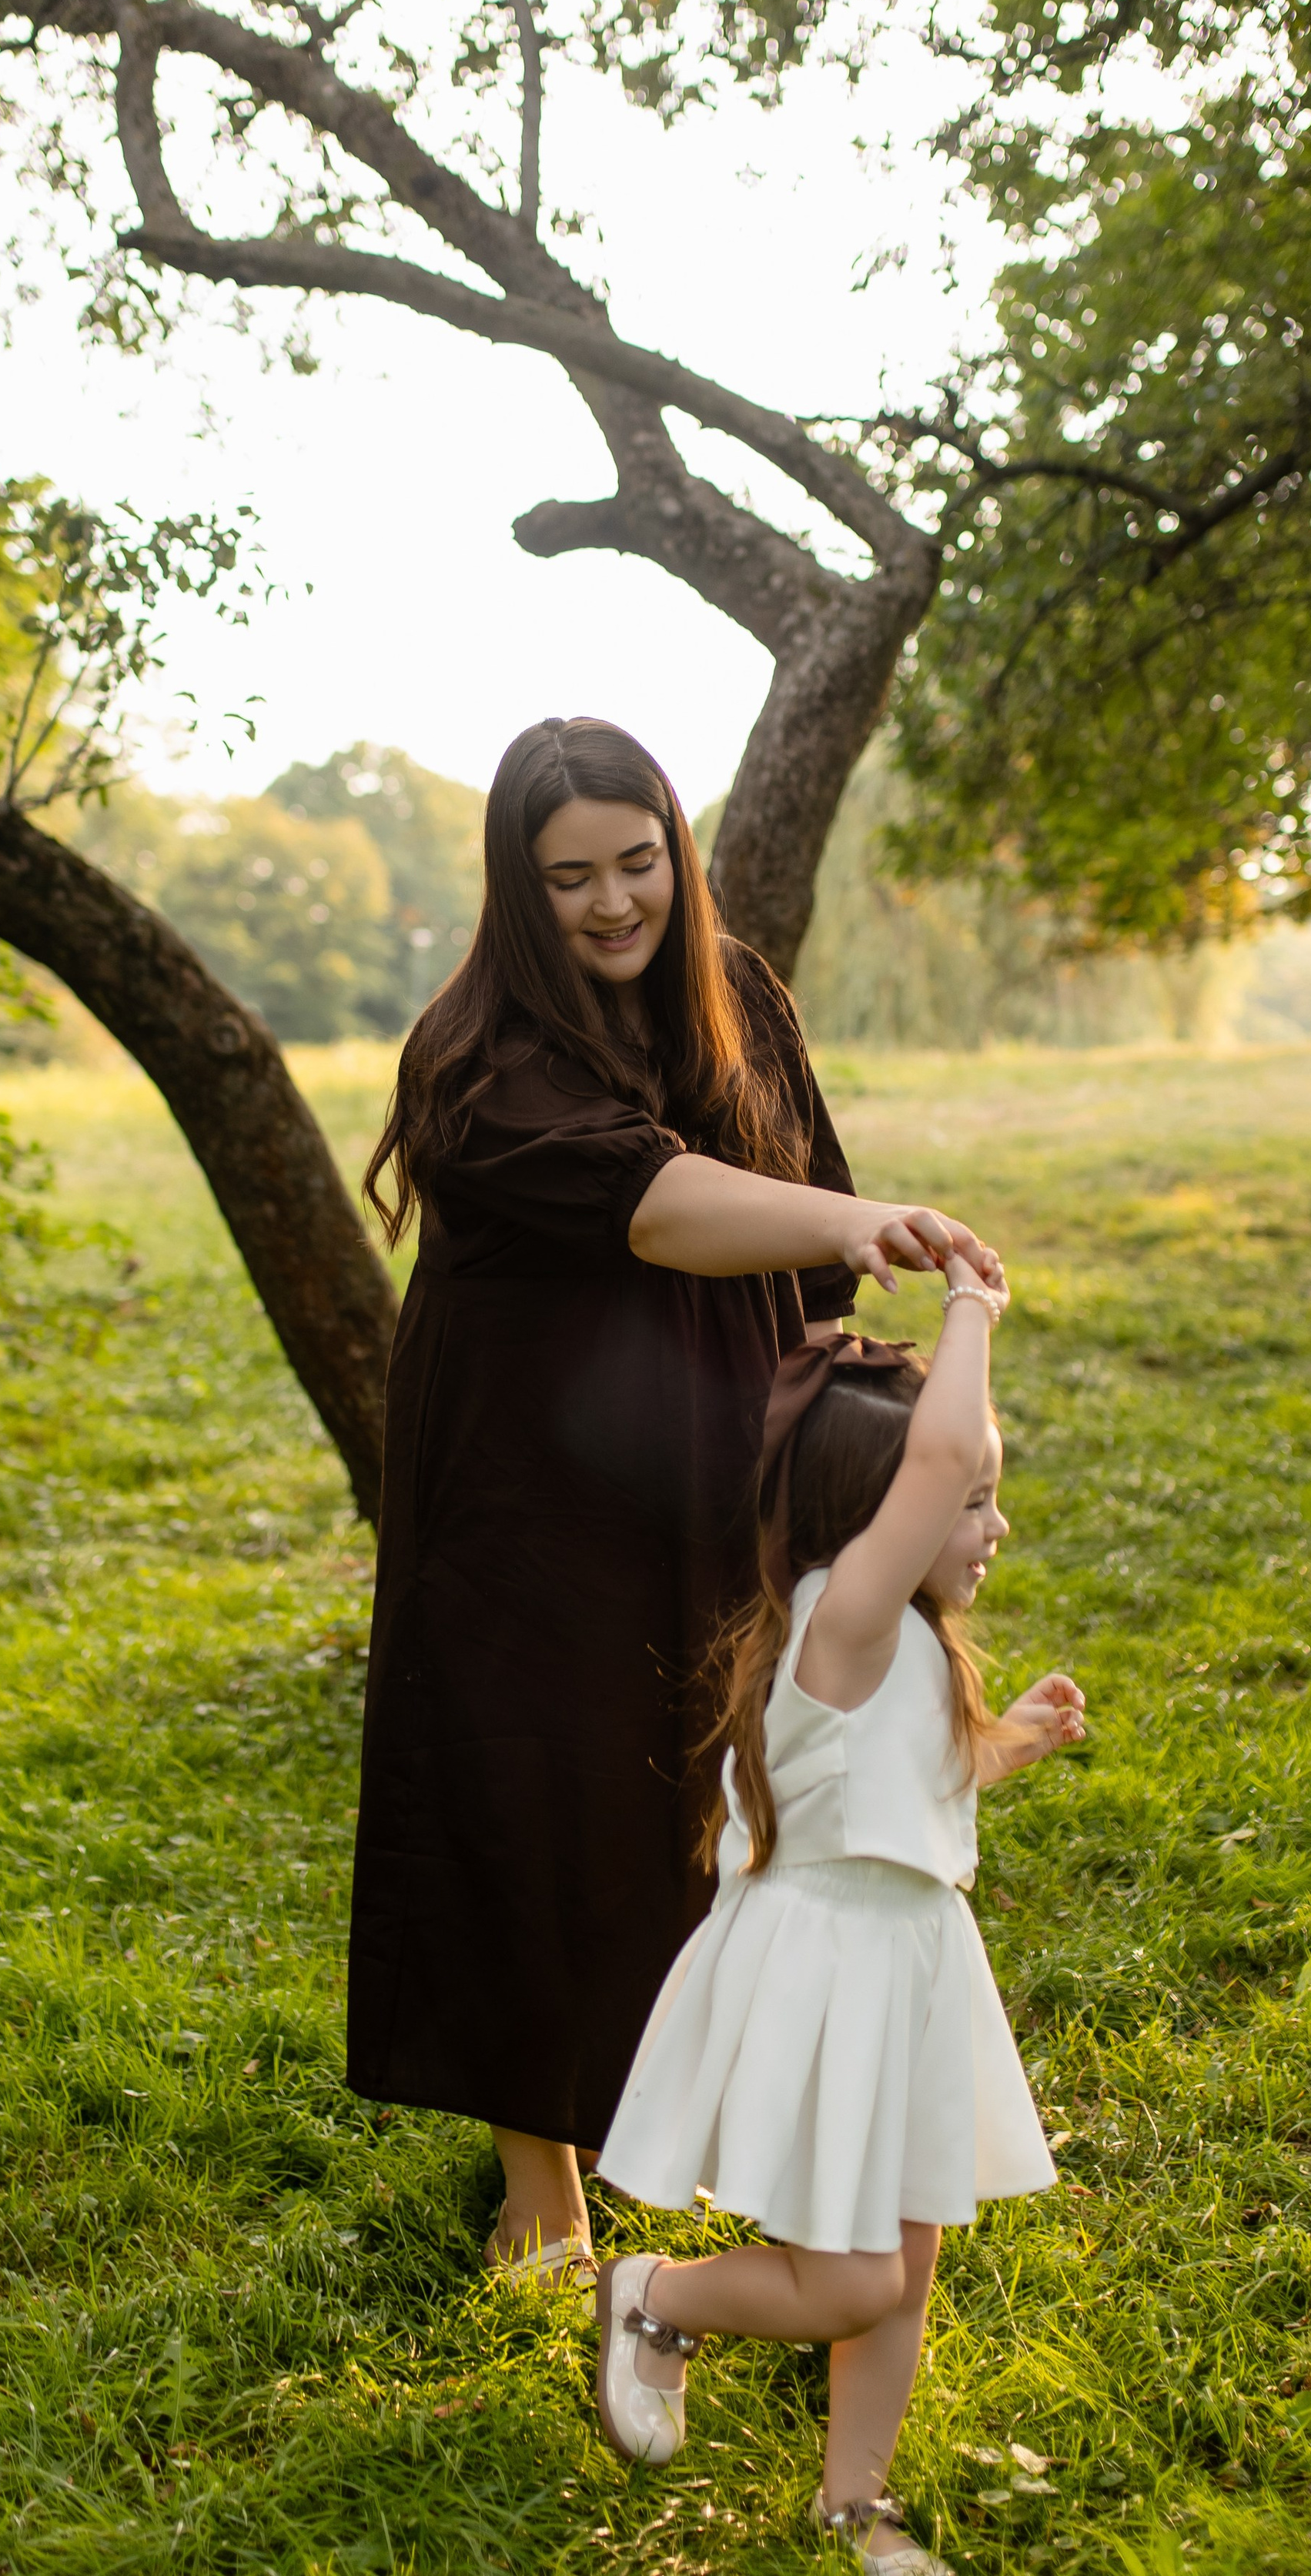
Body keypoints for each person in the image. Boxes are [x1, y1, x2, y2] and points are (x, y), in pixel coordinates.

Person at [350, 717, 1001, 2287]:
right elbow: (658, 1207)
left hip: (728, 1440)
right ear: (518, 886)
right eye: (566, 875)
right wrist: (859, 1221)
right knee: (532, 1791)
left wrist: (867, 1428)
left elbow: (796, 1176)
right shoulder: (475, 1054)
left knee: (717, 1796)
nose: (610, 901)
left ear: (673, 844)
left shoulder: (737, 992)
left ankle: (696, 2125)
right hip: (527, 1481)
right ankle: (542, 2182)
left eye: (636, 860)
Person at [590, 1264, 1085, 2572]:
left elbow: (888, 1791)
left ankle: (854, 2500)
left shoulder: (901, 1641)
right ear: (883, 1516)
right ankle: (656, 2296)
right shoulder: (844, 1616)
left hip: (913, 1966)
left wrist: (1004, 1745)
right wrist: (972, 1309)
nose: (992, 1523)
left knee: (903, 2269)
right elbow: (934, 1457)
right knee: (854, 2277)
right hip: (834, 1971)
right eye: (971, 1499)